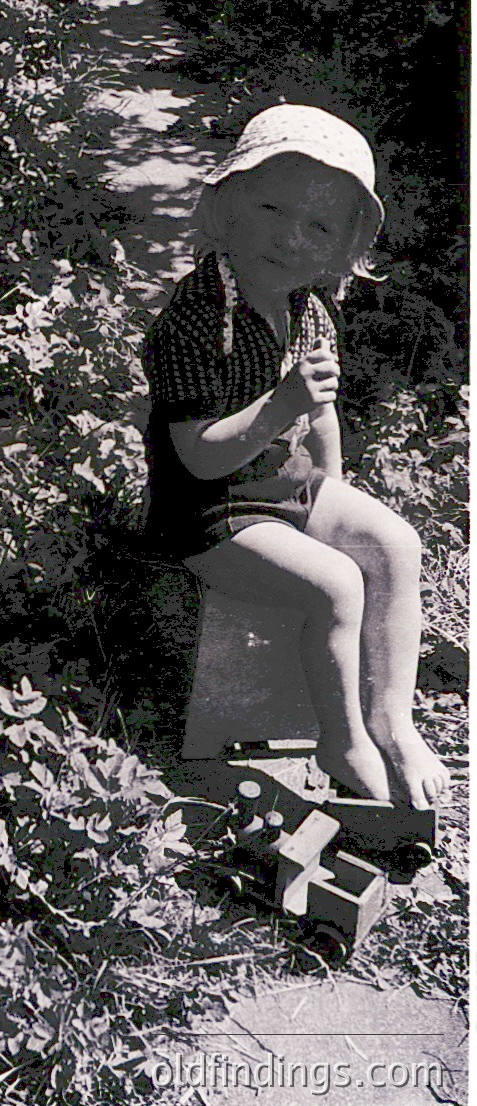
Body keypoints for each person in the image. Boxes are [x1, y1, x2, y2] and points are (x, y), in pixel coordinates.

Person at [141, 104, 448, 809]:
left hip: (286, 492)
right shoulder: (195, 321)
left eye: (318, 226)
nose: (290, 237)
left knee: (396, 544)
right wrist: (280, 405)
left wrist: (331, 495)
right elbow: (198, 459)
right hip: (212, 513)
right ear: (227, 205)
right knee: (337, 585)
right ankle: (342, 741)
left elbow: (323, 411)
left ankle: (392, 721)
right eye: (272, 208)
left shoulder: (307, 308)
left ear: (344, 246)